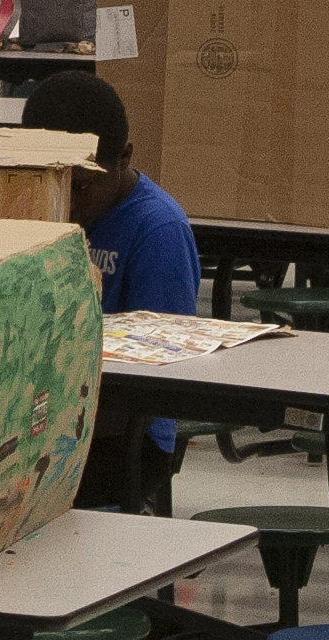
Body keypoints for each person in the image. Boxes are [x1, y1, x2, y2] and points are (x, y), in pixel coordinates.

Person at [23, 70, 200, 513]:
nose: (66, 201)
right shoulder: (32, 205)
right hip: (43, 416)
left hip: (126, 438)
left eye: (81, 186)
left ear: (123, 158)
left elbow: (163, 375)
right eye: (53, 181)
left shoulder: (157, 229)